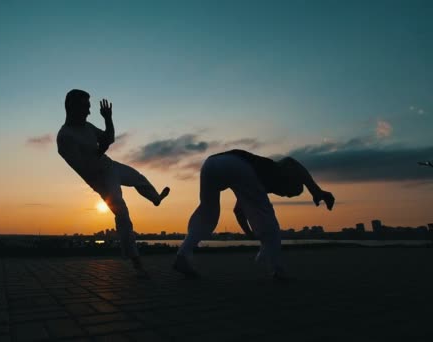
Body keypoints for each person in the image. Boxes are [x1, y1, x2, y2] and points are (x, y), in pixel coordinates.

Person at [57, 89, 170, 277]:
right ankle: (136, 262)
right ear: (72, 107)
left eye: (89, 107)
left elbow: (108, 138)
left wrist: (108, 118)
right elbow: (86, 167)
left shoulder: (87, 126)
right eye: (85, 107)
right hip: (100, 179)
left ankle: (155, 198)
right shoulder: (65, 137)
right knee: (122, 212)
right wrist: (101, 149)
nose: (88, 112)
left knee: (138, 178)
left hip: (110, 166)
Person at [173, 149, 335, 279]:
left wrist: (249, 233)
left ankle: (183, 255)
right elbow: (292, 162)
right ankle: (277, 269)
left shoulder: (253, 185)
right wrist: (316, 190)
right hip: (237, 163)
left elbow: (238, 211)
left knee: (207, 214)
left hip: (211, 163)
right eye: (289, 193)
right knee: (266, 216)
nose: (286, 195)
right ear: (288, 182)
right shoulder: (274, 169)